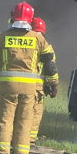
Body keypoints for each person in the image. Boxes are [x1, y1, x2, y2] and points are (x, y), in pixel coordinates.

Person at [0, 2, 59, 154]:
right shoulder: (38, 38)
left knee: (4, 120)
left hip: (7, 88)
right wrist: (53, 83)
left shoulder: (2, 36)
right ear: (30, 19)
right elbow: (49, 62)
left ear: (12, 17)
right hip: (29, 89)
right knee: (24, 123)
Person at [29, 16, 49, 145]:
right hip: (38, 87)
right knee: (36, 112)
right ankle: (30, 138)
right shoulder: (46, 45)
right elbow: (51, 67)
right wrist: (53, 84)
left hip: (23, 83)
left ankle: (16, 135)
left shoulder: (26, 42)